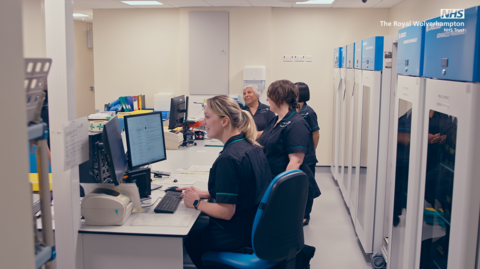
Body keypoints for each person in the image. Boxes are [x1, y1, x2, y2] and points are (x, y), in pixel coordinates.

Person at [179, 95, 272, 269]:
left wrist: (196, 202)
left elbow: (226, 212)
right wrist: (206, 194)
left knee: (191, 237)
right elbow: (247, 188)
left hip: (236, 234)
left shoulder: (229, 159)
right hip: (253, 227)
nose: (203, 122)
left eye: (207, 117)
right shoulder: (251, 146)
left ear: (225, 121)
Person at [258, 80, 321, 226]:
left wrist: (280, 190)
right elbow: (265, 138)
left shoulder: (296, 123)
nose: (266, 100)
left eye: (269, 96)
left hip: (281, 186)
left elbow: (295, 162)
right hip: (270, 179)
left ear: (280, 98)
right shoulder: (276, 120)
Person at [295, 82, 320, 223]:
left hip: (308, 156)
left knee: (307, 186)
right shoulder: (292, 109)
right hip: (296, 154)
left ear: (302, 94)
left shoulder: (309, 112)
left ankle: (306, 215)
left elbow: (315, 134)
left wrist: (312, 151)